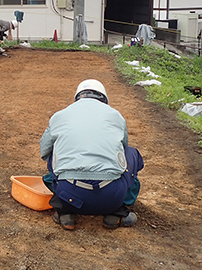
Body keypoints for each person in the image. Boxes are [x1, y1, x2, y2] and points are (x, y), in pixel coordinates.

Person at [39, 79, 144, 230]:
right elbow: (122, 148)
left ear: (78, 97)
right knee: (131, 153)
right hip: (111, 197)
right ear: (103, 98)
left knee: (55, 150)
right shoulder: (116, 116)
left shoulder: (60, 116)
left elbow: (44, 151)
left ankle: (65, 212)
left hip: (68, 195)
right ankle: (115, 214)